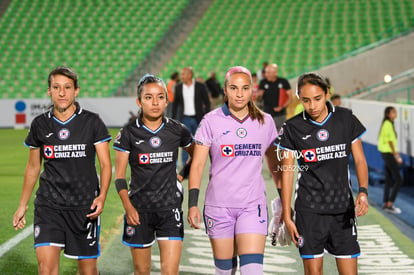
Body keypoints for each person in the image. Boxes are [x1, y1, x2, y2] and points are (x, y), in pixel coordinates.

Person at [12, 66, 112, 275]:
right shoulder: (40, 124)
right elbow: (33, 167)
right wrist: (23, 205)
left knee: (88, 271)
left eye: (67, 87)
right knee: (46, 269)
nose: (61, 92)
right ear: (49, 91)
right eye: (56, 87)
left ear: (76, 90)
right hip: (49, 206)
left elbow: (104, 164)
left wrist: (102, 196)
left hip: (84, 207)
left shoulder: (92, 122)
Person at [187, 66, 280, 274]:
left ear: (252, 91)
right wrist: (192, 204)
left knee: (252, 271)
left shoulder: (266, 122)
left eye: (245, 88)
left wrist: (284, 202)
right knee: (225, 270)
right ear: (225, 90)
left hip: (252, 206)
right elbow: (198, 164)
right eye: (234, 88)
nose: (240, 93)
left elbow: (275, 167)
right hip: (218, 207)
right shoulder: (210, 121)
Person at [276, 72, 369, 275]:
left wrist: (363, 191)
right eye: (306, 100)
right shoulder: (292, 127)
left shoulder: (346, 118)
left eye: (317, 99)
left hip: (343, 211)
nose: (312, 106)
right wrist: (286, 213)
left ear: (327, 93)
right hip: (309, 212)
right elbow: (288, 172)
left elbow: (360, 160)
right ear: (299, 99)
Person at [113, 74, 195, 275]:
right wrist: (128, 206)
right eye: (148, 97)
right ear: (139, 101)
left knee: (170, 271)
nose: (155, 102)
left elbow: (197, 157)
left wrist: (182, 174)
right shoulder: (128, 132)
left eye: (160, 97)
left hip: (170, 209)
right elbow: (120, 176)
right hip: (139, 210)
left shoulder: (178, 130)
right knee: (142, 271)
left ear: (167, 100)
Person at [172, 66, 210, 168]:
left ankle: (197, 165)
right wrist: (173, 119)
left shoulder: (200, 86)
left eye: (184, 74)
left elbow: (207, 102)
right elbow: (175, 104)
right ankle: (186, 167)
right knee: (186, 144)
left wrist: (206, 117)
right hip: (185, 119)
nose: (182, 76)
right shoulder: (178, 87)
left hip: (198, 119)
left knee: (199, 144)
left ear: (190, 75)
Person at [378, 106, 403, 214]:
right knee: (399, 179)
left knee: (388, 179)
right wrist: (397, 156)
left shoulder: (388, 124)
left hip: (386, 154)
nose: (395, 113)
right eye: (393, 112)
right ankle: (390, 203)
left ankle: (386, 203)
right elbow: (390, 142)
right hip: (388, 154)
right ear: (388, 114)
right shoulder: (388, 124)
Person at [257, 63, 293, 131]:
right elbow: (258, 99)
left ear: (275, 72)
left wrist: (282, 107)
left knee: (281, 135)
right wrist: (259, 95)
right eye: (266, 72)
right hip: (267, 115)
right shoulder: (263, 82)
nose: (266, 74)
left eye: (269, 73)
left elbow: (290, 97)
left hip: (281, 115)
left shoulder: (283, 81)